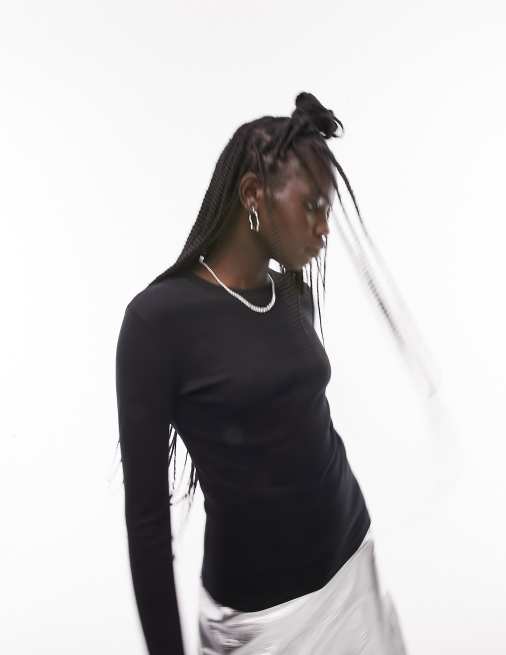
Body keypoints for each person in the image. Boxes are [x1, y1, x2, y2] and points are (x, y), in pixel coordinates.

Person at [115, 92, 409, 654]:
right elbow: (147, 524)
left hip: (353, 571)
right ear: (253, 195)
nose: (324, 229)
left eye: (327, 209)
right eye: (311, 206)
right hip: (257, 619)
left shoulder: (292, 293)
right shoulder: (156, 323)